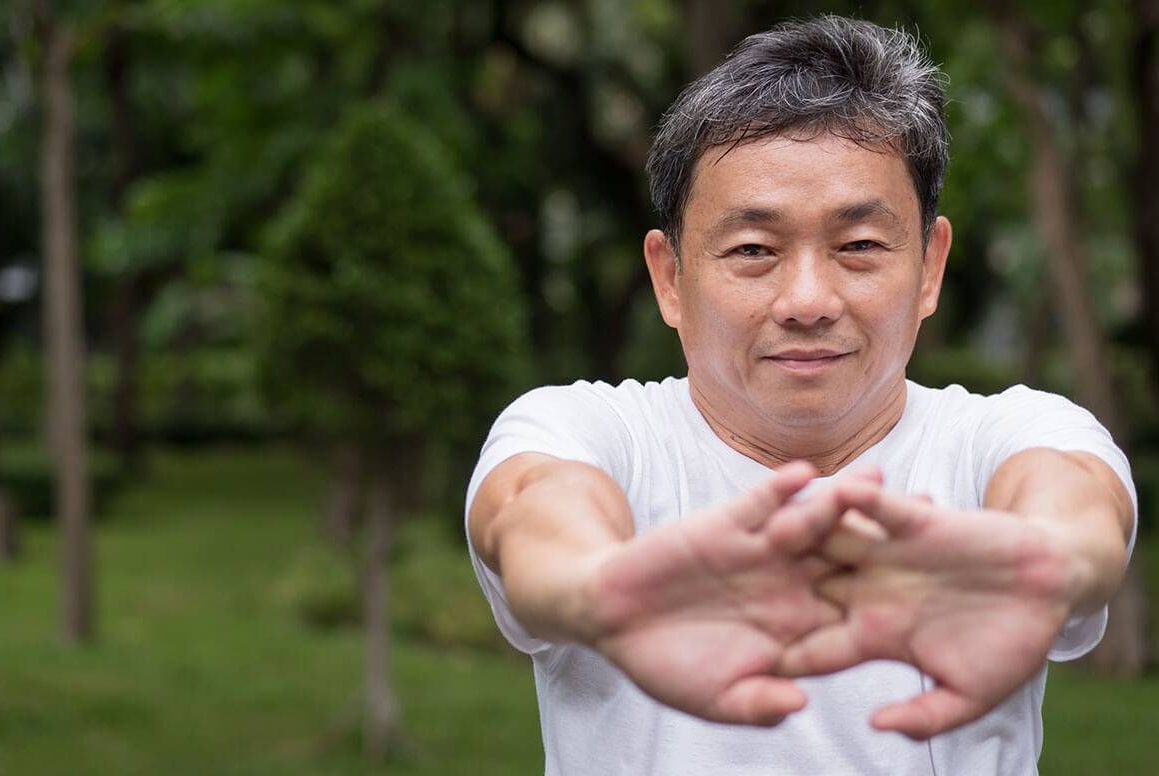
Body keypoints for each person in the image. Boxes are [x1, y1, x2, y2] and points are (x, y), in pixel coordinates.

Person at [464, 15, 1137, 776]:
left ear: (929, 266)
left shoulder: (1006, 434)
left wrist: (1039, 562)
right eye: (754, 250)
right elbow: (533, 511)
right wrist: (600, 590)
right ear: (670, 277)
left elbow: (1077, 505)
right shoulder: (588, 431)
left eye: (858, 247)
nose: (808, 299)